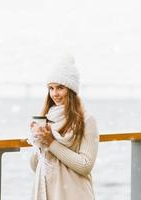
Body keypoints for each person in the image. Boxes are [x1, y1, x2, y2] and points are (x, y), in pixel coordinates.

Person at [29, 55, 99, 200]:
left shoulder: (87, 120)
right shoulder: (47, 119)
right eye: (51, 88)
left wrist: (51, 143)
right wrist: (38, 142)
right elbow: (36, 166)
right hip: (48, 193)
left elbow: (85, 165)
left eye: (60, 88)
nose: (55, 94)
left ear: (71, 90)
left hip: (75, 194)